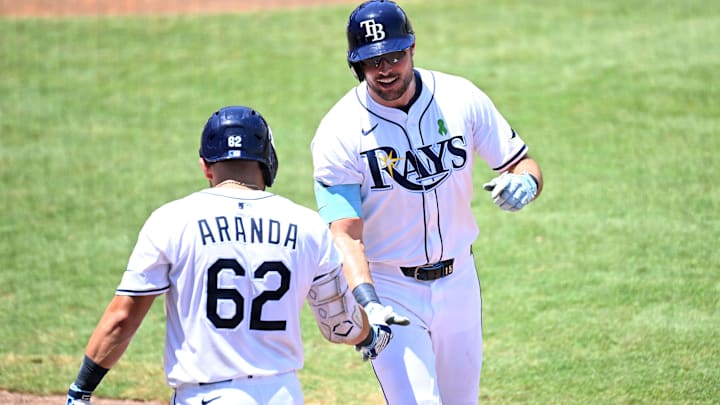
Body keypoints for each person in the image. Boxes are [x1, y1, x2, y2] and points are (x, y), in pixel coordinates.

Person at [67, 106, 391, 405]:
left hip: (204, 396)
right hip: (281, 394)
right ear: (268, 160)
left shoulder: (171, 220)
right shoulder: (306, 225)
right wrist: (371, 335)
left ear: (206, 167)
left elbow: (123, 319)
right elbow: (340, 324)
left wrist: (81, 390)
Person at [310, 0, 545, 403]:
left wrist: (525, 183)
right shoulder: (339, 131)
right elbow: (345, 235)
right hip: (390, 289)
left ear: (412, 48)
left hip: (460, 283)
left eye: (394, 56)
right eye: (372, 62)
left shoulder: (460, 98)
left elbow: (523, 163)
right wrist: (368, 302)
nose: (385, 69)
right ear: (356, 65)